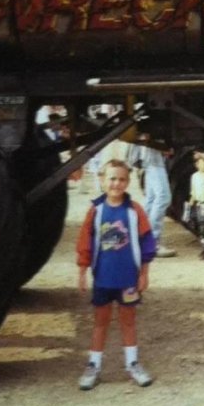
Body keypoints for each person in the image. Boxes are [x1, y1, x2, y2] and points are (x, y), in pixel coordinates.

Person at [76, 158, 156, 390]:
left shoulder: (134, 211)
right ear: (102, 180)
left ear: (128, 182)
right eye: (112, 178)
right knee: (100, 323)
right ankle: (94, 365)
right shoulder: (96, 211)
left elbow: (147, 243)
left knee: (128, 322)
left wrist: (144, 273)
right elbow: (85, 242)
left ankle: (133, 364)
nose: (116, 184)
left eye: (122, 179)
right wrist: (82, 271)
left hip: (128, 280)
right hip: (103, 278)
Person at [127, 135, 177, 258]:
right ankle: (152, 241)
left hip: (149, 157)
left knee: (152, 198)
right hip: (153, 157)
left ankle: (141, 237)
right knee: (163, 197)